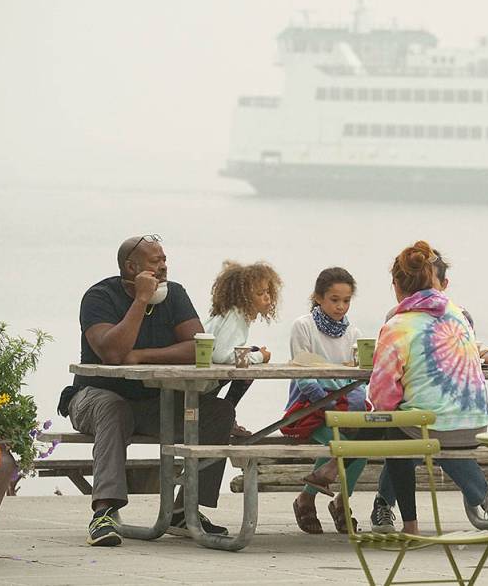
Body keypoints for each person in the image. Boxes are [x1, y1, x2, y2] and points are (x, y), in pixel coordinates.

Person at [58, 234, 235, 547]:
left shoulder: (174, 294)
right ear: (131, 266)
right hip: (93, 398)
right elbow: (111, 353)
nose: (164, 267)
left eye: (165, 260)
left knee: (218, 412)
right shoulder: (99, 297)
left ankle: (185, 509)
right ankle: (105, 512)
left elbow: (198, 348)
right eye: (156, 262)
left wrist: (142, 356)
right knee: (114, 408)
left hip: (154, 402)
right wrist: (141, 299)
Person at [368, 240, 488, 535]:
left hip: (428, 428)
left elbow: (381, 397)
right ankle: (485, 499)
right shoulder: (459, 315)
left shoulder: (398, 324)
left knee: (400, 425)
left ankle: (406, 522)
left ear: (397, 285)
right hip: (474, 425)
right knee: (424, 422)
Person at [285, 267, 368, 535]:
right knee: (344, 443)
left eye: (346, 300)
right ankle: (307, 498)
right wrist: (329, 404)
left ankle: (340, 501)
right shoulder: (303, 326)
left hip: (345, 406)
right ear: (319, 297)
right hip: (309, 407)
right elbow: (304, 377)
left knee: (365, 443)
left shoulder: (353, 333)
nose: (340, 306)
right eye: (334, 299)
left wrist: (348, 405)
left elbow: (357, 379)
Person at [204, 260, 282, 437]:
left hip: (205, 379)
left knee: (252, 352)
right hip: (200, 384)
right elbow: (222, 356)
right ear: (243, 298)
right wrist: (259, 357)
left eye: (268, 291)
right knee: (252, 362)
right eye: (260, 293)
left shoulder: (232, 315)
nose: (267, 297)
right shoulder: (235, 317)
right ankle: (227, 415)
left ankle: (226, 413)